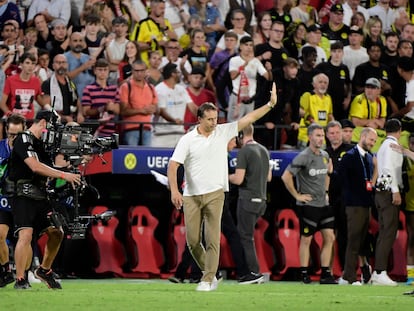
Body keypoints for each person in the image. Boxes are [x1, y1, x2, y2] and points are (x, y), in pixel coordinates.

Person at [167, 82, 277, 292]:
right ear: (199, 119)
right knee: (192, 241)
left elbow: (249, 118)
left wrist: (270, 105)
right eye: (209, 119)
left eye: (216, 118)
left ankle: (207, 279)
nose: (213, 123)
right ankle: (212, 272)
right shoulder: (187, 139)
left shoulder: (223, 131)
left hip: (216, 193)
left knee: (212, 238)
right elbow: (173, 166)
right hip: (191, 195)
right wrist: (175, 190)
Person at [9, 110, 81, 289]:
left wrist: (71, 168)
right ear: (43, 122)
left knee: (57, 232)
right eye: (51, 126)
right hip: (23, 195)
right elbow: (34, 166)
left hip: (41, 196)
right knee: (25, 235)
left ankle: (44, 270)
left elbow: (49, 168)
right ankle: (20, 279)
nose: (52, 131)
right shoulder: (23, 139)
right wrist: (64, 175)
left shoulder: (41, 145)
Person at [281, 123, 336, 284]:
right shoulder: (303, 156)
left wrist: (326, 192)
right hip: (309, 206)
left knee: (330, 237)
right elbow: (286, 176)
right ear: (310, 137)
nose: (320, 139)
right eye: (317, 136)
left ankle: (325, 274)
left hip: (323, 204)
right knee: (307, 239)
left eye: (322, 136)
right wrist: (297, 195)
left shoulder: (325, 155)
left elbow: (328, 174)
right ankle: (304, 273)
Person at [229, 124, 271, 279]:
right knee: (248, 236)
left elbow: (238, 179)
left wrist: (225, 177)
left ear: (241, 135)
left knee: (245, 237)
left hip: (248, 199)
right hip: (262, 199)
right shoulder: (264, 150)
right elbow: (268, 177)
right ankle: (253, 271)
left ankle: (253, 272)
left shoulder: (245, 151)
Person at [337, 127, 377, 285]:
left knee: (360, 242)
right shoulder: (350, 156)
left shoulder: (368, 157)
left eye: (374, 141)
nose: (372, 143)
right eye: (371, 140)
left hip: (365, 204)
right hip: (354, 205)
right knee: (353, 241)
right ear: (363, 136)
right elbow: (341, 179)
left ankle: (350, 275)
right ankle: (349, 277)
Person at [370, 118, 402, 286]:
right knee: (388, 231)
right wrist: (395, 191)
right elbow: (389, 169)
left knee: (385, 231)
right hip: (387, 192)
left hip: (383, 191)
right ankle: (380, 271)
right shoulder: (390, 146)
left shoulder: (384, 145)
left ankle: (379, 272)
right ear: (399, 131)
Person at [0, 114, 25, 288]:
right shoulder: (0, 148)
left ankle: (24, 274)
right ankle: (5, 271)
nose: (13, 138)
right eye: (11, 134)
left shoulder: (29, 150)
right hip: (2, 198)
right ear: (6, 130)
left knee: (25, 237)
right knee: (0, 236)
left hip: (22, 199)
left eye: (17, 134)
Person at [152, 63, 197, 147]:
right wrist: (174, 121)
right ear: (173, 74)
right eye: (178, 73)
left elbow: (192, 106)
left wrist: (202, 116)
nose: (180, 75)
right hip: (162, 135)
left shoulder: (181, 89)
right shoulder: (159, 90)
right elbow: (162, 111)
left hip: (180, 133)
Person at [119, 60, 158, 146]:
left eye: (142, 71)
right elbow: (123, 111)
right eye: (137, 71)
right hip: (131, 128)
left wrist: (153, 109)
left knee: (147, 156)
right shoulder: (126, 87)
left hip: (147, 128)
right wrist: (141, 111)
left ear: (145, 71)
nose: (139, 73)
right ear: (132, 71)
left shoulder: (151, 87)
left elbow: (156, 108)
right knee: (131, 157)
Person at [81, 58, 120, 138]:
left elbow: (118, 110)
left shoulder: (114, 89)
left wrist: (112, 107)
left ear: (108, 71)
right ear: (95, 71)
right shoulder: (88, 88)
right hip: (93, 131)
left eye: (105, 70)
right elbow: (85, 111)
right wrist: (101, 109)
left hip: (110, 131)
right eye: (100, 70)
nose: (103, 72)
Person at [41, 54, 83, 124]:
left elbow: (77, 99)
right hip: (55, 121)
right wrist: (62, 117)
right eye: (58, 62)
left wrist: (80, 114)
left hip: (71, 119)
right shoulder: (47, 83)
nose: (61, 65)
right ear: (53, 65)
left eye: (63, 62)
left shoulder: (71, 83)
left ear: (67, 65)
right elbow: (46, 106)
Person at [297, 73, 333, 149]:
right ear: (314, 84)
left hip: (321, 136)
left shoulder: (328, 98)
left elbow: (329, 114)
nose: (323, 85)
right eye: (320, 82)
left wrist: (333, 124)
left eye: (325, 83)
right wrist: (311, 119)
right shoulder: (308, 95)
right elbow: (301, 111)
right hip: (307, 136)